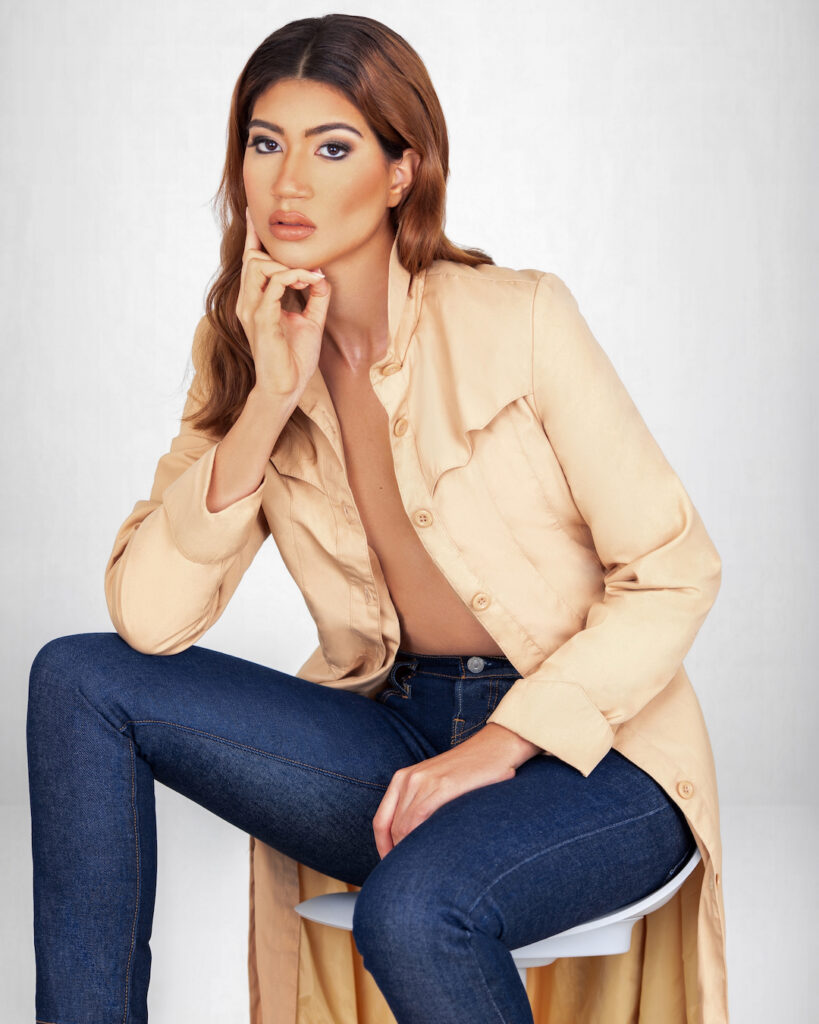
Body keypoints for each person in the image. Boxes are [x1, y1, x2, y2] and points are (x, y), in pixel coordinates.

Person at [26, 13, 728, 1024]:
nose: (288, 183)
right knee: (78, 679)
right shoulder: (244, 350)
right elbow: (149, 617)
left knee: (415, 908)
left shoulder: (520, 316)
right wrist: (268, 399)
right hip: (396, 729)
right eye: (264, 143)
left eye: (332, 148)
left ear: (402, 171)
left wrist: (502, 743)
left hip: (595, 754)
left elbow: (673, 571)